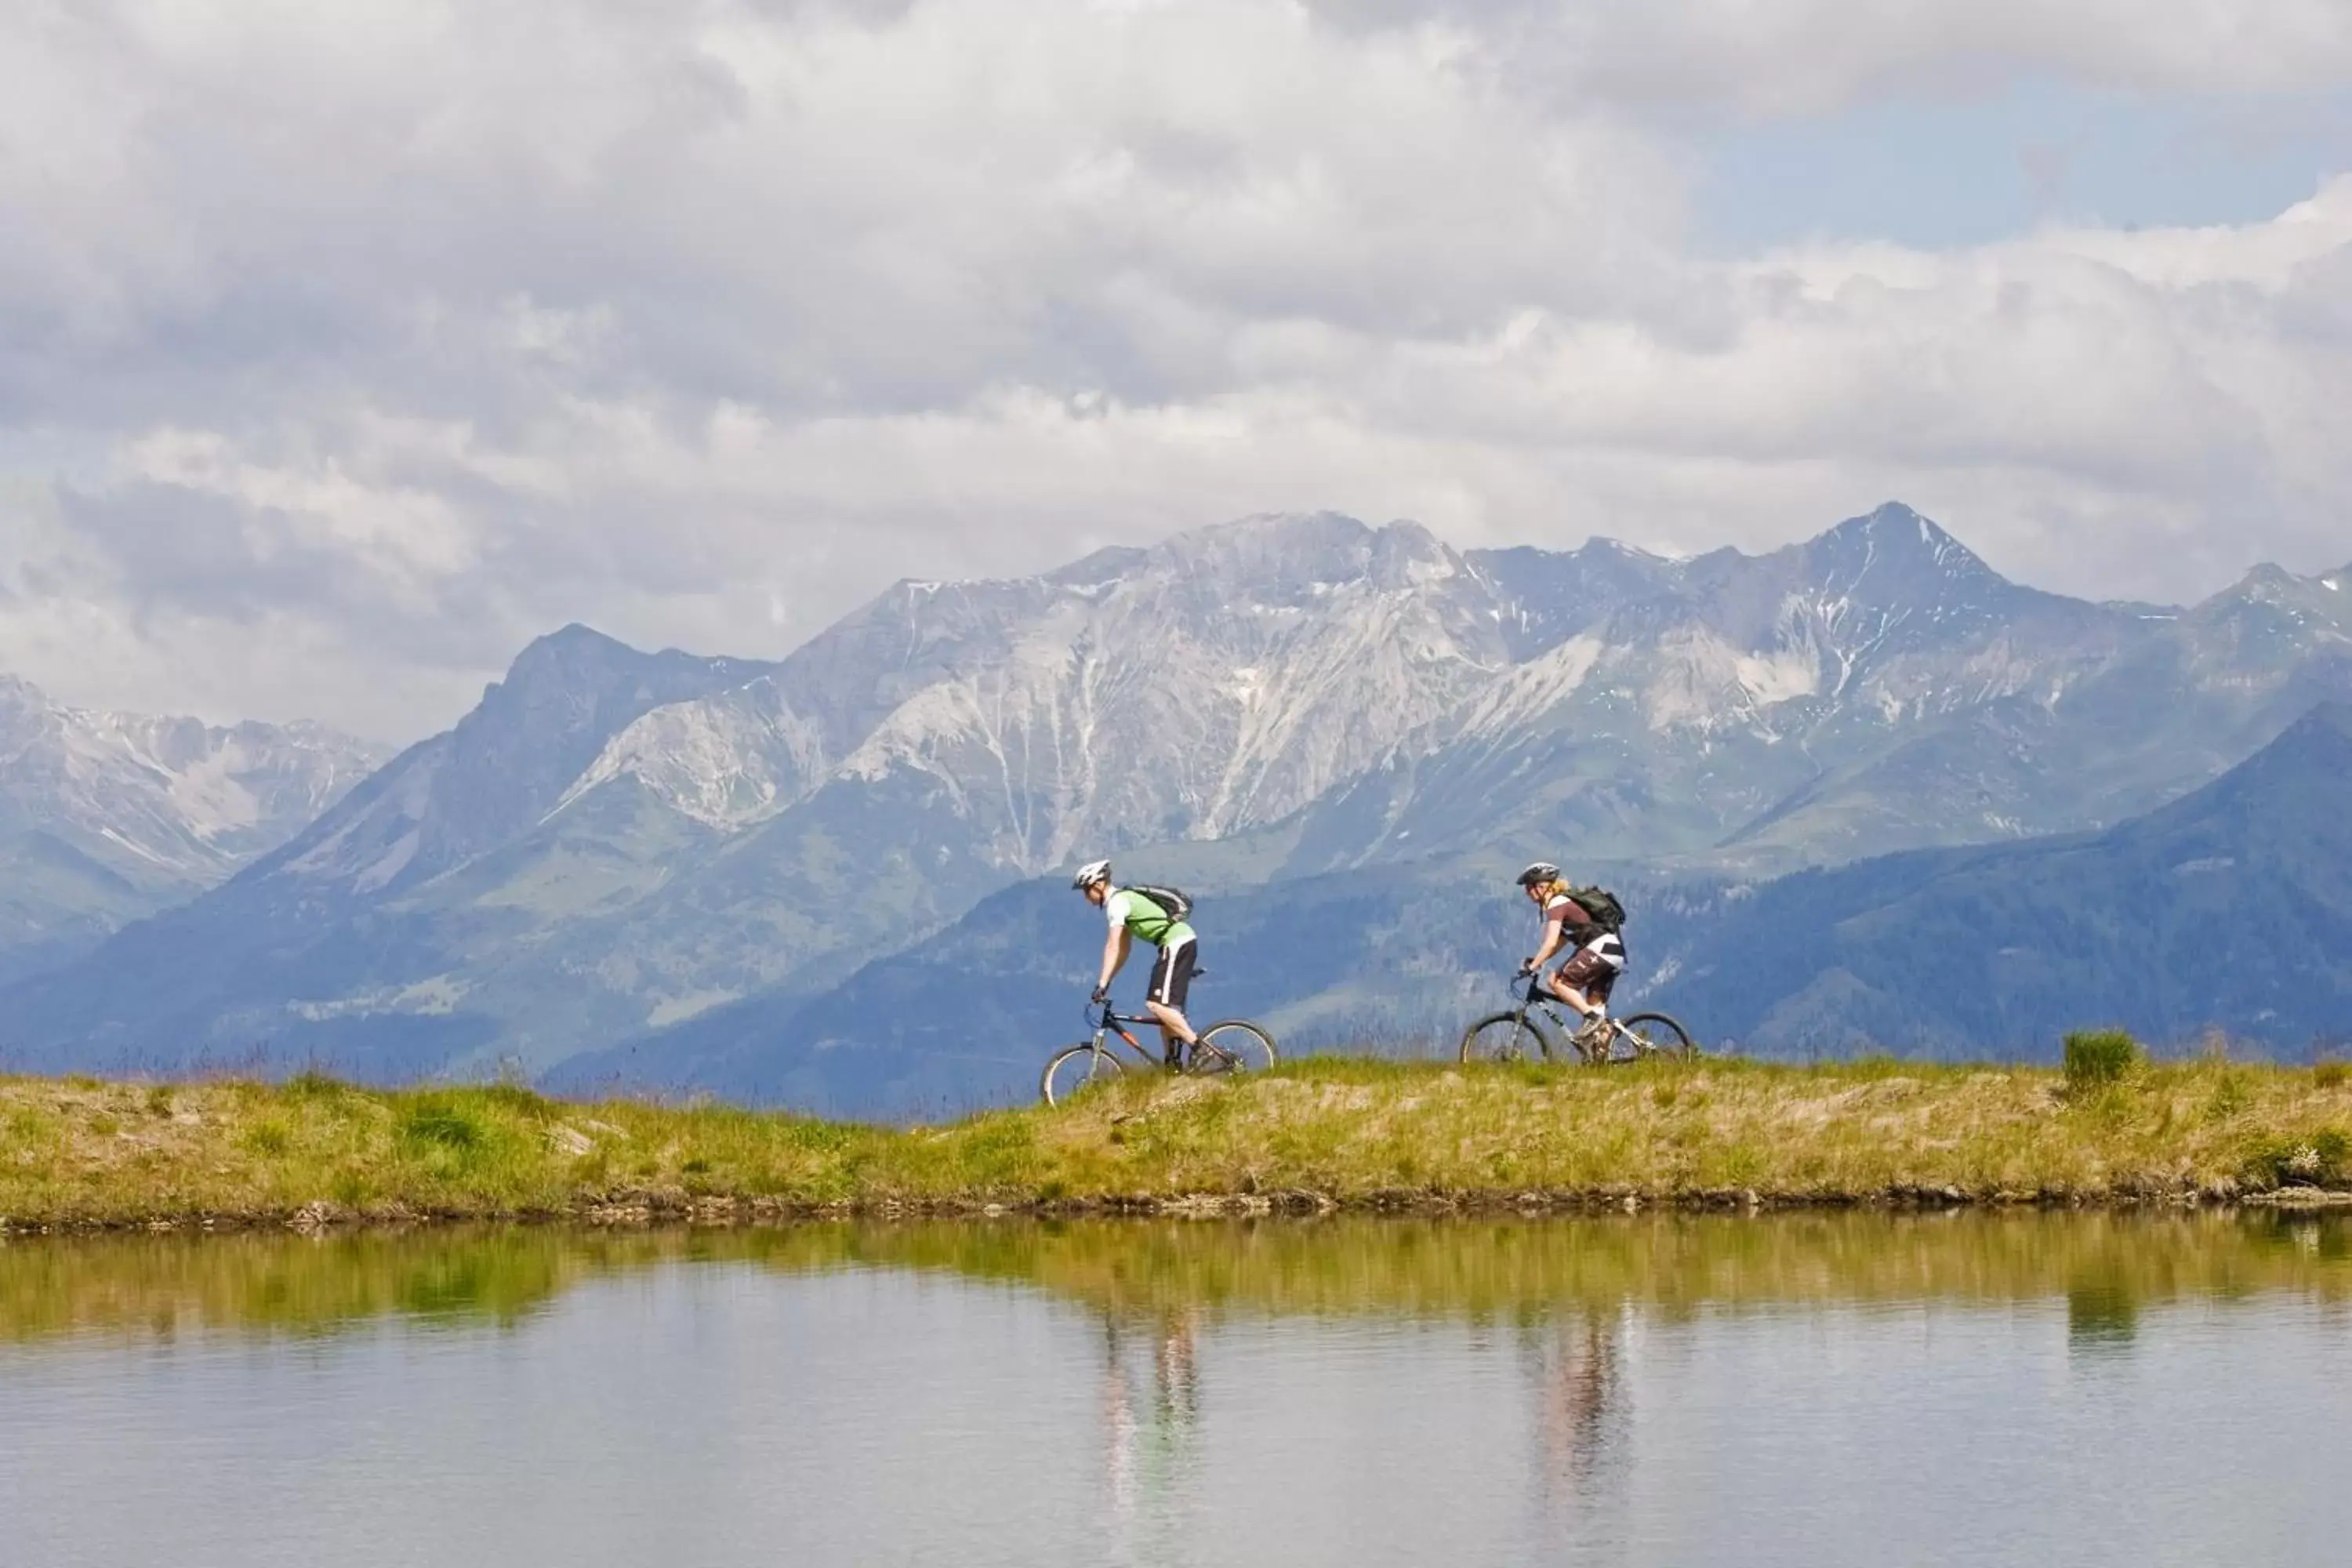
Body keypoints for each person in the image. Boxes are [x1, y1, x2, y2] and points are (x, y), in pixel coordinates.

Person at [1071, 860, 1200, 1068]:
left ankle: (1198, 1048)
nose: (1086, 898)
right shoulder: (1122, 901)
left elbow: (1112, 946)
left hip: (1177, 942)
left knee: (1155, 1005)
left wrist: (1102, 983)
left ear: (1097, 885)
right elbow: (1123, 950)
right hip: (1176, 943)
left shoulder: (1117, 903)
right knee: (1165, 1011)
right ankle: (1172, 1065)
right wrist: (1107, 982)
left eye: (1086, 891)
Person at [1515, 862, 1624, 1051]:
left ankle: (1593, 1019)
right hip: (1612, 951)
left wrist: (1533, 967)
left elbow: (1550, 942)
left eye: (1529, 887)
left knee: (1556, 981)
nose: (1527, 893)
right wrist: (1537, 960)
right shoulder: (1565, 903)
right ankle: (1602, 1062)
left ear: (1542, 886)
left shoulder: (1557, 904)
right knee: (1593, 1006)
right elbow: (1560, 941)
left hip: (1600, 949)